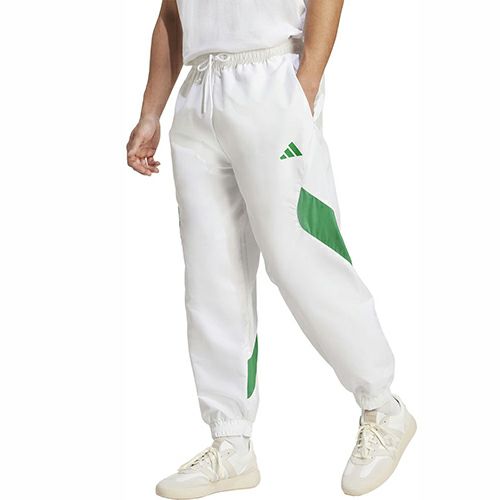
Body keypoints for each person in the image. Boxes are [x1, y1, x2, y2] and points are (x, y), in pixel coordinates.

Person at [126, 0, 416, 497]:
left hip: (270, 77)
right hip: (199, 92)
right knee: (211, 274)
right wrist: (150, 113)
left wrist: (305, 85)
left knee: (300, 254)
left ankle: (383, 408)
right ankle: (231, 442)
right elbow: (171, 16)